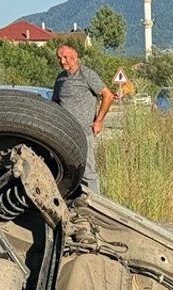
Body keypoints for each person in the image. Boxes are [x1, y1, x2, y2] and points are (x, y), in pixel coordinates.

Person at [53, 43, 115, 194]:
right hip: (65, 133)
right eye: (59, 58)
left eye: (66, 57)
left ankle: (96, 206)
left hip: (84, 132)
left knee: (88, 172)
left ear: (75, 56)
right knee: (68, 171)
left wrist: (99, 121)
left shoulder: (86, 75)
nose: (63, 61)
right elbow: (54, 103)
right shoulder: (60, 79)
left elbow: (108, 96)